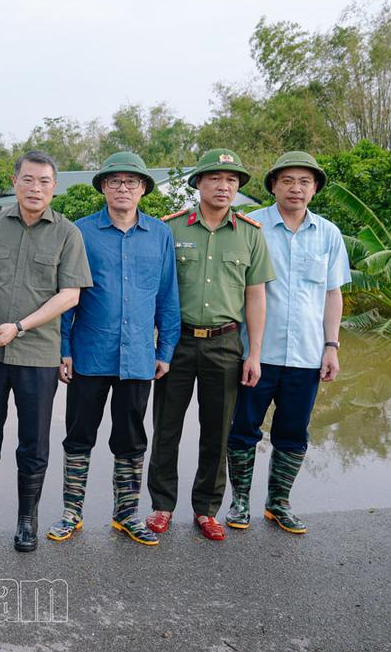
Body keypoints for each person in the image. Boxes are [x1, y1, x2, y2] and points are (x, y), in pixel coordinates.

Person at [0, 149, 91, 552]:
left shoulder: (68, 233)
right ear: (15, 182)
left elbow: (70, 296)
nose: (35, 188)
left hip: (37, 355)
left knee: (33, 441)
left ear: (54, 187)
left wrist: (20, 326)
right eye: (28, 179)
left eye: (44, 181)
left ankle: (26, 520)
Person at [46, 152, 180, 546]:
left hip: (139, 357)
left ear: (143, 189)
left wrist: (166, 349)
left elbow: (167, 296)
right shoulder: (80, 232)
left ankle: (126, 513)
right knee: (79, 435)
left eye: (132, 181)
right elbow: (67, 295)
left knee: (132, 438)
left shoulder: (160, 235)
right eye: (115, 181)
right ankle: (72, 511)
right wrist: (63, 347)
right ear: (103, 187)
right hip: (90, 353)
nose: (123, 188)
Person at [146, 148, 275, 542]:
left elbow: (256, 296)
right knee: (166, 427)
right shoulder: (171, 229)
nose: (224, 186)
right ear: (198, 183)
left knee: (217, 431)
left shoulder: (250, 234)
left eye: (232, 180)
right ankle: (162, 506)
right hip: (177, 342)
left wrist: (254, 353)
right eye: (215, 179)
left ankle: (206, 509)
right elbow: (156, 290)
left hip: (225, 344)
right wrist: (155, 346)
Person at [225, 151, 349, 534]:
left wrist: (332, 345)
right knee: (244, 429)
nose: (296, 188)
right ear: (274, 185)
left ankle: (278, 503)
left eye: (305, 182)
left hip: (307, 355)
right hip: (255, 354)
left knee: (293, 432)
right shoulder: (251, 226)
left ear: (314, 189)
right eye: (288, 181)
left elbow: (332, 294)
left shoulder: (328, 233)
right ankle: (240, 502)